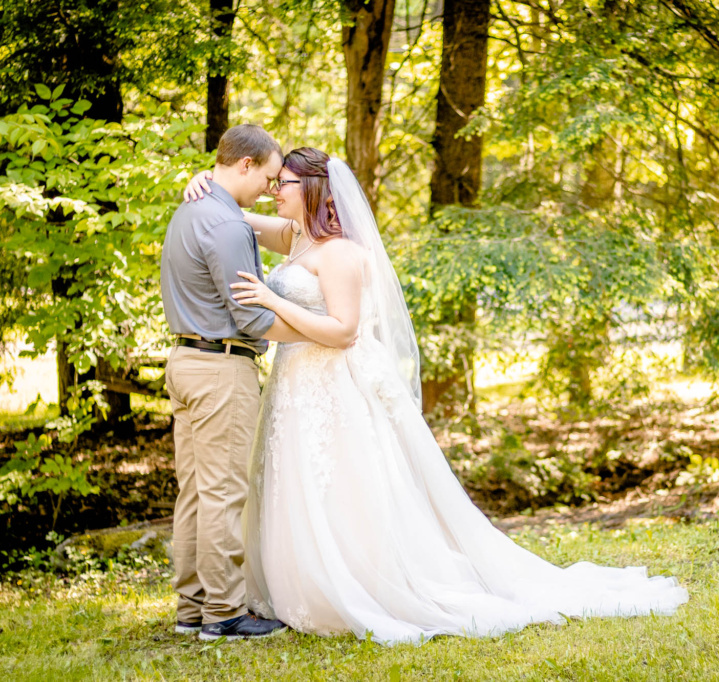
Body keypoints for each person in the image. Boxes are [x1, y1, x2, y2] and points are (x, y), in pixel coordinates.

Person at [183, 148, 688, 644]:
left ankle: (353, 583)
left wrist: (272, 299)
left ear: (312, 189)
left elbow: (343, 332)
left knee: (337, 486)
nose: (274, 192)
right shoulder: (297, 237)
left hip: (330, 386)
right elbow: (238, 218)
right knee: (292, 483)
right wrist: (206, 186)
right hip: (294, 386)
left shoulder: (340, 252)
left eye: (284, 185)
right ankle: (296, 581)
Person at [161, 124, 309, 642]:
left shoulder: (191, 211)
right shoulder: (227, 226)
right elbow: (250, 318)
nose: (271, 188)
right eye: (269, 177)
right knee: (223, 493)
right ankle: (224, 614)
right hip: (221, 368)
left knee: (196, 494)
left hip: (184, 361)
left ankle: (192, 608)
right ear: (245, 165)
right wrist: (317, 334)